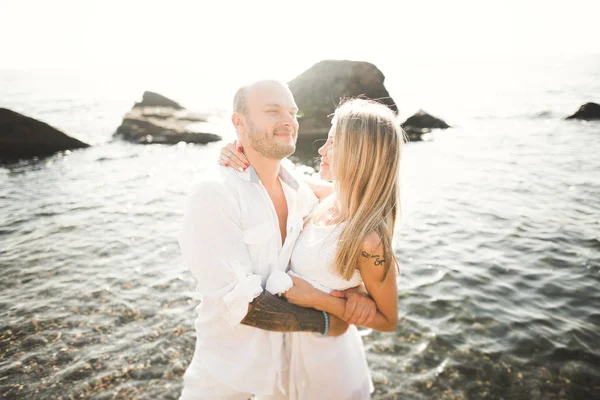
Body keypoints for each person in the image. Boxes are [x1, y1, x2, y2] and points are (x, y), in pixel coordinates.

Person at [178, 80, 375, 400]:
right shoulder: (215, 194)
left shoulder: (301, 191)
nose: (289, 120)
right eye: (273, 111)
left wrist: (364, 290)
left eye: (293, 112)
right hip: (228, 381)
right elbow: (244, 307)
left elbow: (363, 206)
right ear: (238, 122)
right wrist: (329, 321)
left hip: (288, 380)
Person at [219, 97, 403, 399]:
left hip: (329, 365)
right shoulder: (330, 196)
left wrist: (320, 299)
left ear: (357, 154)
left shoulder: (370, 241)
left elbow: (388, 320)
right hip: (288, 349)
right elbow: (274, 174)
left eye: (331, 143)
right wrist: (236, 150)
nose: (321, 151)